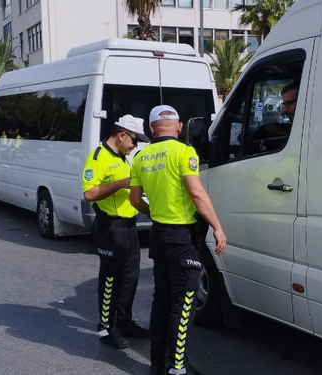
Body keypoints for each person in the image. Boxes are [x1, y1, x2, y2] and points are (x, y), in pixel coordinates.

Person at [130, 105, 227, 375]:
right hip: (181, 238)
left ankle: (157, 364)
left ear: (151, 129)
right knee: (183, 303)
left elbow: (135, 200)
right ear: (179, 126)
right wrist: (217, 226)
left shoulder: (141, 156)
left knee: (161, 300)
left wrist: (157, 214)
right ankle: (178, 368)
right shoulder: (184, 152)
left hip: (159, 235)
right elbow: (196, 193)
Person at [82, 115, 151, 349]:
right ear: (122, 135)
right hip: (110, 228)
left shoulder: (123, 157)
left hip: (130, 227)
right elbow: (89, 193)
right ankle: (106, 327)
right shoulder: (98, 157)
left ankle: (124, 321)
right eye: (134, 141)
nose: (136, 146)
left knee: (130, 278)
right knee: (111, 279)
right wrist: (120, 184)